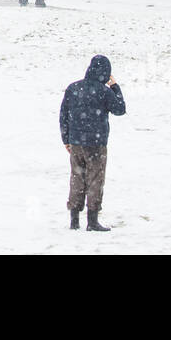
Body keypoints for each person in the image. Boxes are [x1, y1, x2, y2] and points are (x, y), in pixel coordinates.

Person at [59, 54, 126, 232]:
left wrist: (66, 139)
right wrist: (115, 87)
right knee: (95, 179)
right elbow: (120, 109)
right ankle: (92, 220)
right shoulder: (104, 91)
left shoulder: (73, 88)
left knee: (77, 178)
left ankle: (74, 220)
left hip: (76, 143)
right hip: (96, 143)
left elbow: (63, 115)